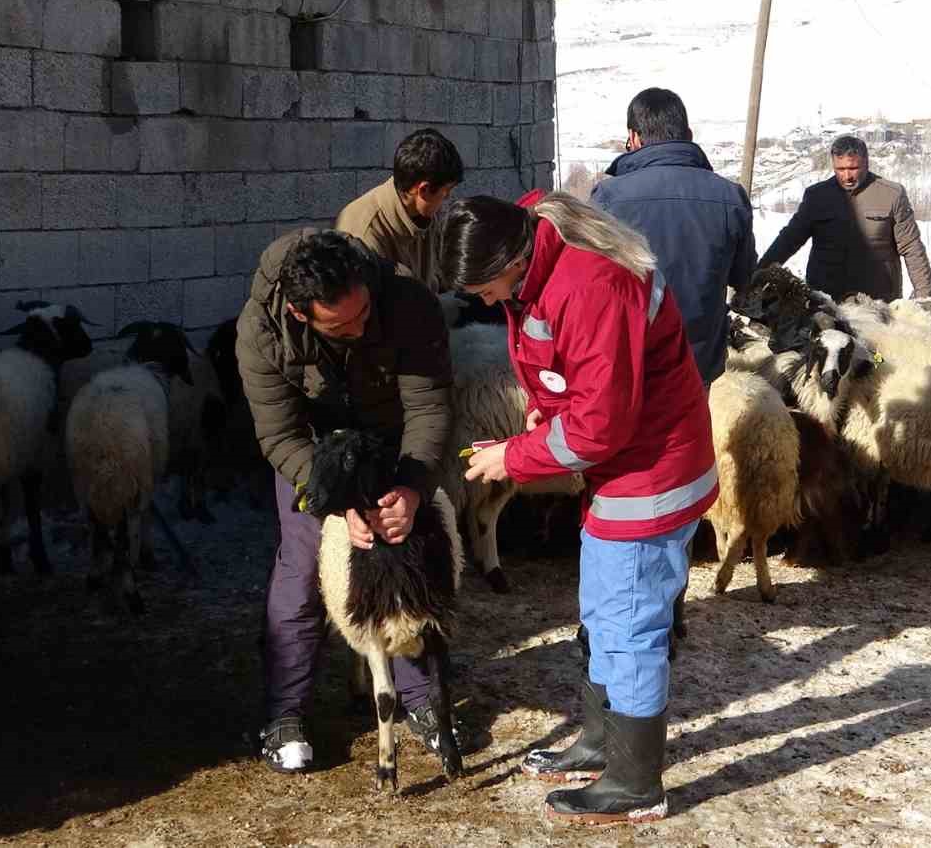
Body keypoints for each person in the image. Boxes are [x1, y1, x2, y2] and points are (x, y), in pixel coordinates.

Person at [438, 189, 717, 825]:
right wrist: (549, 406)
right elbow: (586, 376)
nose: (485, 303)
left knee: (631, 626)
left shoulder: (591, 285)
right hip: (621, 471)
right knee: (601, 611)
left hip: (649, 473)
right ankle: (601, 741)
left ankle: (635, 779)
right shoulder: (539, 247)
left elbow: (601, 424)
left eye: (485, 288)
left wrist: (514, 456)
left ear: (510, 261)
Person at [235, 228, 461, 774]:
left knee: (403, 558)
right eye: (341, 326)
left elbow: (430, 406)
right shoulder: (260, 333)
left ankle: (417, 701)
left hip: (393, 442)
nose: (359, 330)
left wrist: (410, 486)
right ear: (298, 313)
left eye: (364, 315)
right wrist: (333, 503)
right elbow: (279, 436)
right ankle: (286, 712)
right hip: (317, 453)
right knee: (303, 566)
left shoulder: (406, 301)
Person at [591, 87, 757, 385]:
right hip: (699, 366)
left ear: (634, 138)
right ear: (689, 135)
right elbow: (743, 277)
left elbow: (588, 285)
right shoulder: (730, 197)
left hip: (629, 363)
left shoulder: (608, 198)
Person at [759, 134, 931, 301]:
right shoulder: (817, 196)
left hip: (879, 302)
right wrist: (758, 276)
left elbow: (912, 248)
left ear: (866, 163)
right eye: (840, 169)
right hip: (826, 300)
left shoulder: (892, 195)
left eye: (853, 168)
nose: (847, 176)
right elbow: (789, 239)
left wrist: (926, 297)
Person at [336, 127, 465, 289]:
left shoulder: (425, 212)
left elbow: (439, 275)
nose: (447, 198)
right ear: (423, 190)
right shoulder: (364, 232)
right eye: (446, 191)